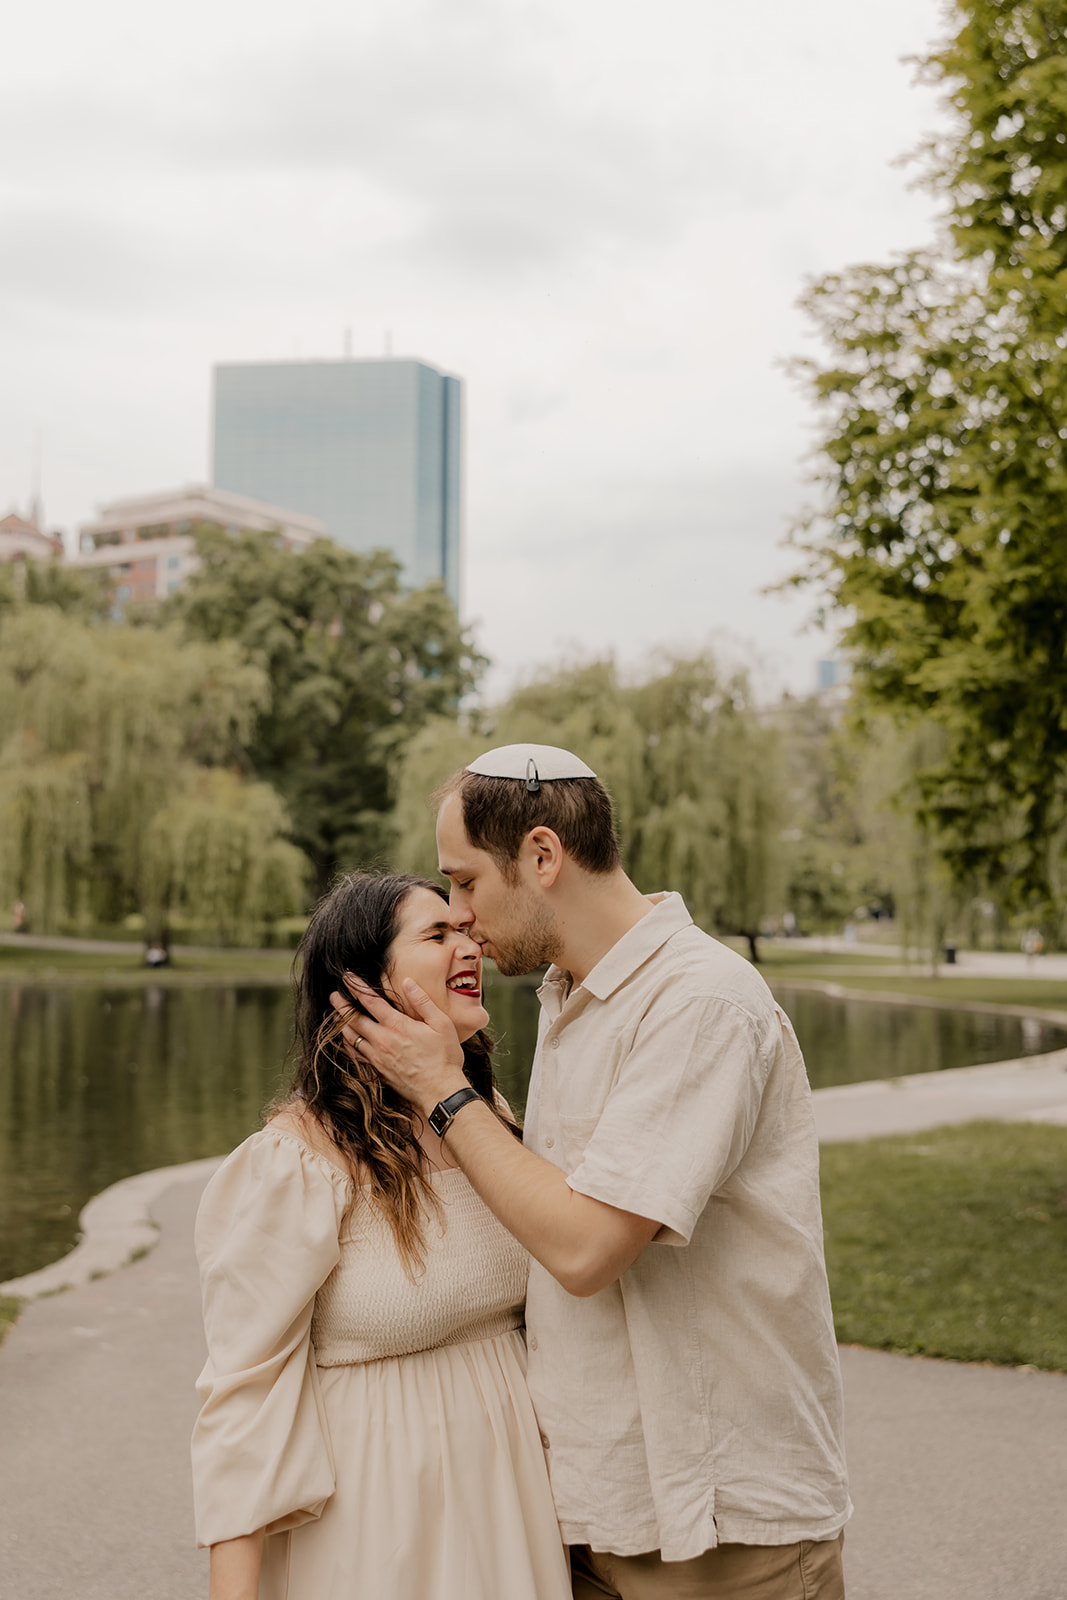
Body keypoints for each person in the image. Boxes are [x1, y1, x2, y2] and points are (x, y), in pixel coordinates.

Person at [338, 745, 852, 1600]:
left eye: (465, 882)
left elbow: (583, 1249)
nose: (459, 915)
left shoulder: (698, 1003)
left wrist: (439, 1087)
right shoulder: (570, 995)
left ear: (542, 857)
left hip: (718, 1538)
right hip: (594, 1519)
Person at [191, 871, 571, 1600]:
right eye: (437, 935)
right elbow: (244, 1398)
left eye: (465, 930)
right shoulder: (294, 1161)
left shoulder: (483, 1114)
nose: (469, 946)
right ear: (361, 986)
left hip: (511, 1500)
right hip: (376, 1519)